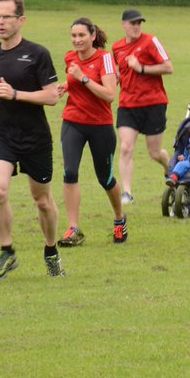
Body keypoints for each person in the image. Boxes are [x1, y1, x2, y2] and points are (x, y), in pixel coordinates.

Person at [0, 0, 64, 278]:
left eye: (6, 17)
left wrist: (16, 95)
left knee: (42, 201)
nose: (0, 22)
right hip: (3, 134)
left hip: (36, 137)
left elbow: (52, 97)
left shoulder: (38, 54)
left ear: (21, 20)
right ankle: (7, 251)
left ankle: (51, 251)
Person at [57, 17, 127, 247]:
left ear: (93, 36)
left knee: (105, 179)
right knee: (69, 173)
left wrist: (82, 78)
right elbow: (72, 80)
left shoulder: (105, 59)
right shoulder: (70, 57)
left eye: (82, 36)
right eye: (74, 36)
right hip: (73, 122)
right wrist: (65, 86)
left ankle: (119, 219)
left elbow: (109, 95)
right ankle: (73, 228)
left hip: (100, 126)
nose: (77, 40)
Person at [112, 9, 173, 205]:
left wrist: (142, 68)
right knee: (126, 148)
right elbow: (119, 75)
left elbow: (168, 67)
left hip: (153, 103)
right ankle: (127, 192)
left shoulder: (150, 41)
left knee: (155, 153)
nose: (136, 27)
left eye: (139, 23)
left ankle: (168, 167)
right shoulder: (117, 48)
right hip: (128, 105)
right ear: (123, 25)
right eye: (132, 23)